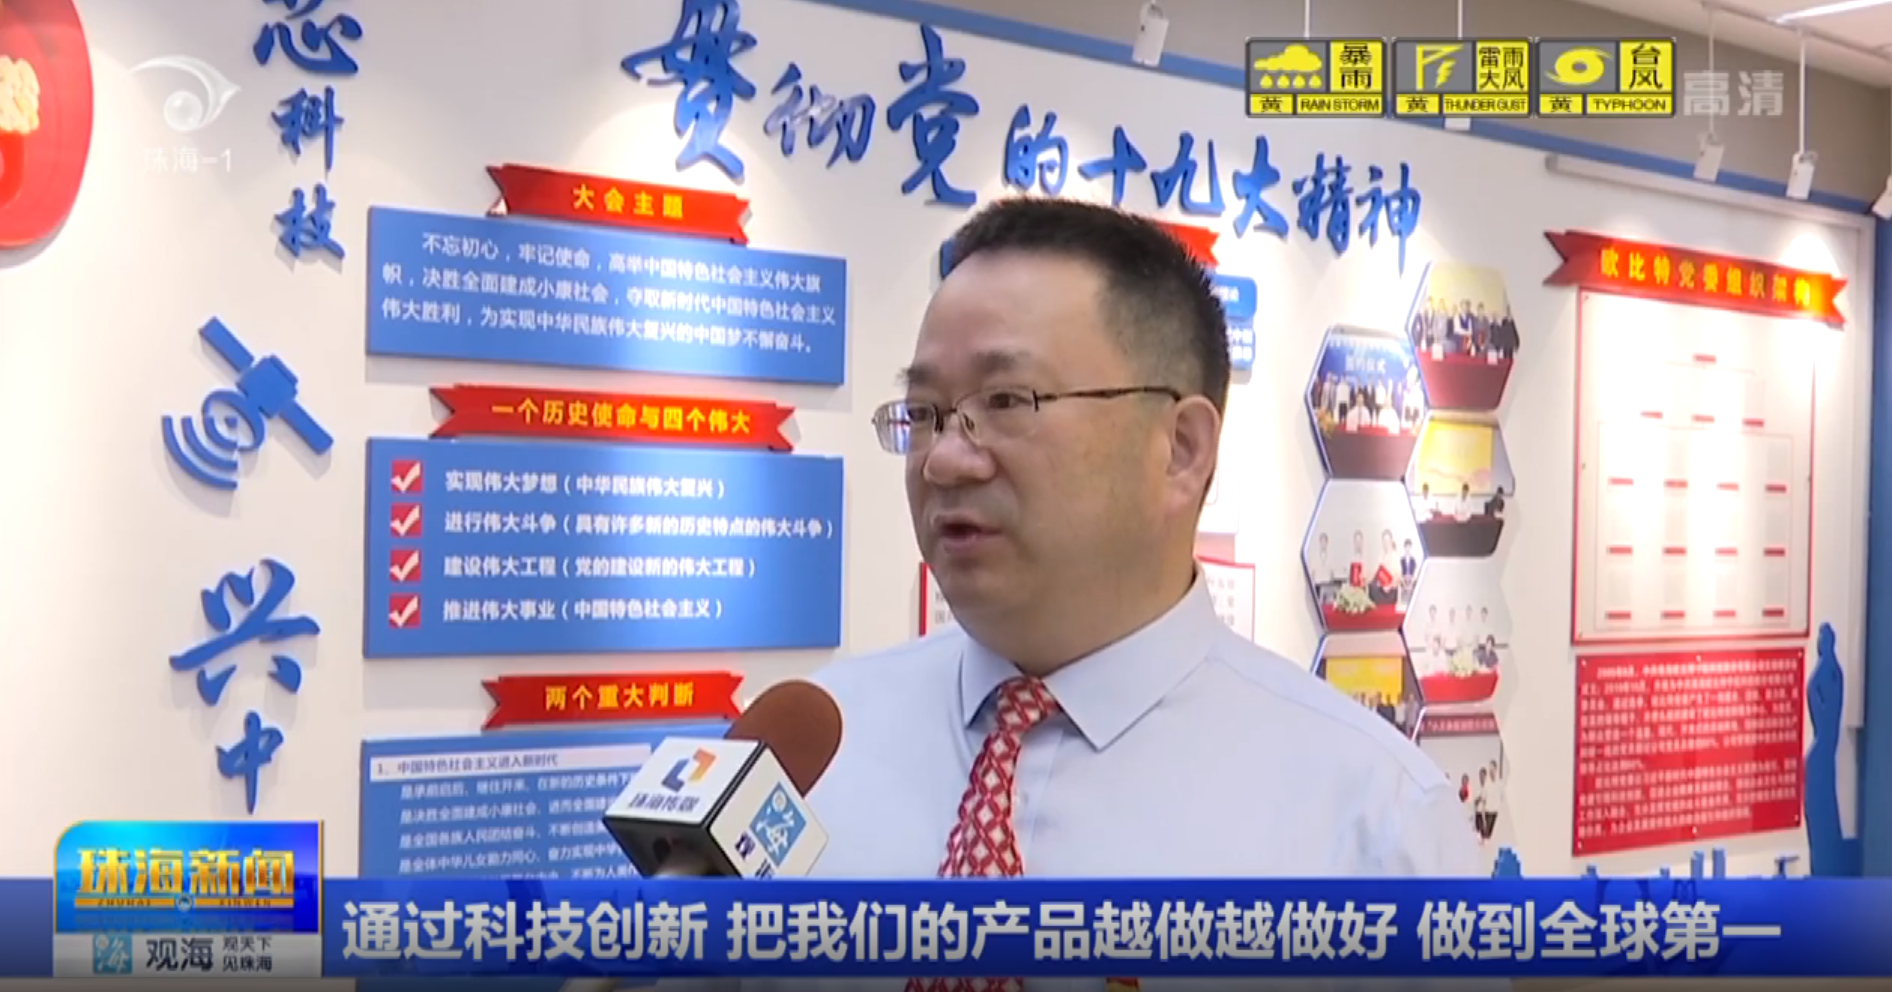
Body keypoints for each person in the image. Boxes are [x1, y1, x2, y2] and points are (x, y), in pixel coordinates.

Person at [807, 198, 1481, 882]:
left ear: (1181, 449)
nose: (944, 460)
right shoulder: (815, 756)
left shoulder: (1376, 824)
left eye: (1006, 401)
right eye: (924, 413)